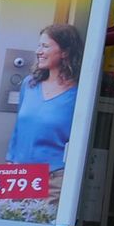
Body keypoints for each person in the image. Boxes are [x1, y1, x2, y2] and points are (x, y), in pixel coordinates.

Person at [7, 23, 83, 169]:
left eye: (45, 46)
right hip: (20, 173)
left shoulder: (78, 94)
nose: (38, 51)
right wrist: (10, 160)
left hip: (55, 176)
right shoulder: (29, 84)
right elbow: (18, 128)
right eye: (39, 46)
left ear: (65, 52)